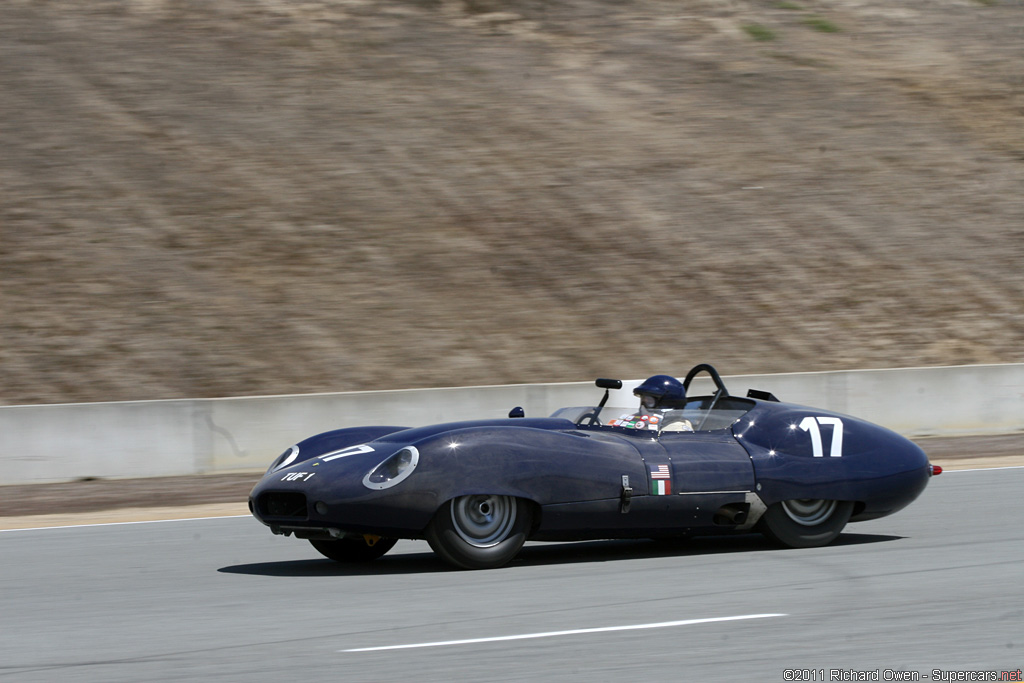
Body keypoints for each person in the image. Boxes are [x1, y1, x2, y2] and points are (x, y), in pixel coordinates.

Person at [607, 375, 693, 431]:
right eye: (643, 398)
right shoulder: (635, 419)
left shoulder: (678, 429)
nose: (644, 402)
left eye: (649, 400)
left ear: (667, 402)